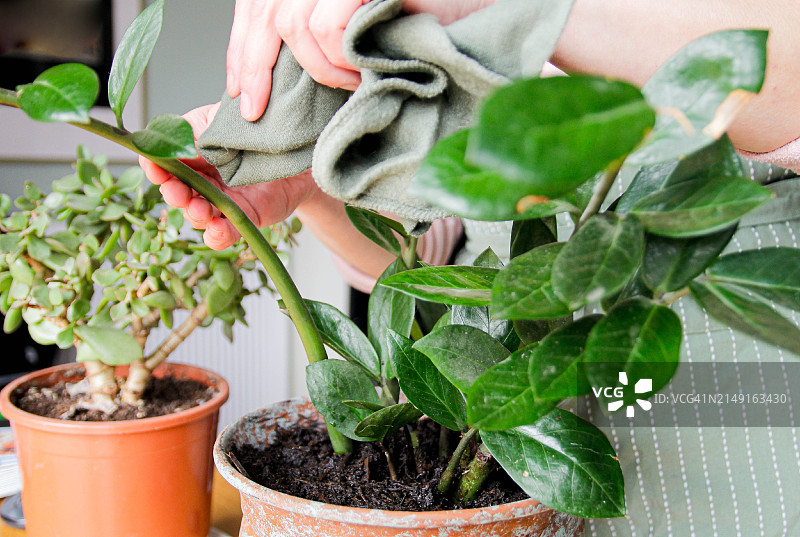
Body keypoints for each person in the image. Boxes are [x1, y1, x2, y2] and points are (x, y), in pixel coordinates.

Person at [141, 1, 800, 535]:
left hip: (718, 396)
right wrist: (312, 185)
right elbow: (432, 252)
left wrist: (519, 9)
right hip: (506, 433)